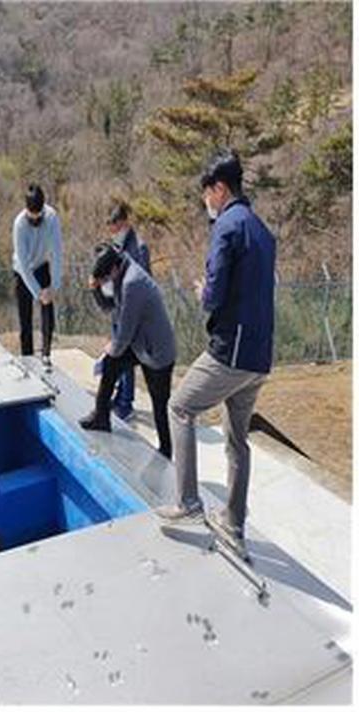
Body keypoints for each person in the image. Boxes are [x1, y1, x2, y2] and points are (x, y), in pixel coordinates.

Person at [156, 150, 276, 559]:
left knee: (179, 407)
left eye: (207, 192)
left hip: (230, 352)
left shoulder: (227, 225)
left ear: (220, 189)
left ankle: (188, 502)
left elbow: (214, 296)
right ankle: (233, 523)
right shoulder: (261, 229)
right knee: (237, 440)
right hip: (259, 356)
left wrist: (202, 291)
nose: (205, 200)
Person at [81, 243, 176, 459]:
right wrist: (95, 289)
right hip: (138, 343)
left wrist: (112, 348)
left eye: (106, 278)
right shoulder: (120, 269)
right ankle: (101, 417)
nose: (106, 282)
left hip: (157, 351)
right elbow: (110, 307)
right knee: (110, 366)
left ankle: (165, 450)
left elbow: (125, 330)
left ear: (114, 269)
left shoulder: (132, 282)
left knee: (159, 403)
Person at [106, 203, 152, 421]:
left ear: (124, 223)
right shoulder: (116, 245)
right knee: (118, 354)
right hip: (118, 307)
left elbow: (143, 281)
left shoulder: (139, 247)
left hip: (132, 311)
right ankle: (120, 395)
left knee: (126, 357)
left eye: (115, 227)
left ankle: (126, 402)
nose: (113, 232)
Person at [12, 183, 63, 371]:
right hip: (22, 271)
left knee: (48, 311)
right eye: (32, 216)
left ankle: (46, 354)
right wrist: (37, 292)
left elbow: (57, 253)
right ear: (26, 208)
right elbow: (24, 265)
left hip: (41, 265)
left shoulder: (51, 217)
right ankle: (27, 358)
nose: (35, 219)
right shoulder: (19, 224)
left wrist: (53, 287)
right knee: (25, 318)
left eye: (38, 215)